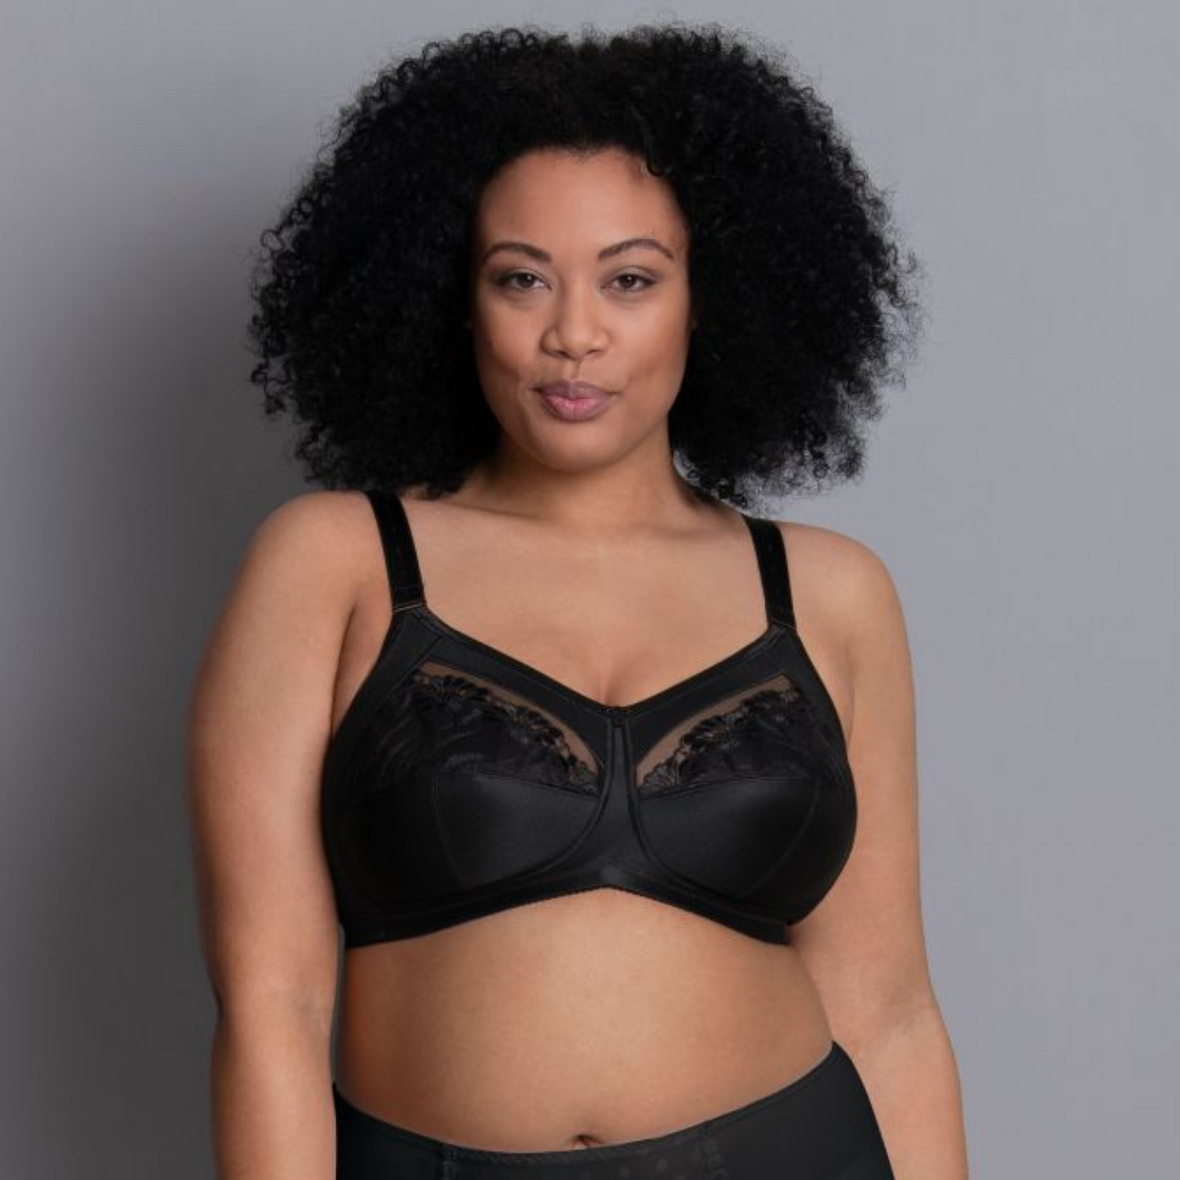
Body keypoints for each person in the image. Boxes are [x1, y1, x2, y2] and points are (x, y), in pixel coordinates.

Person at [186, 21, 968, 1180]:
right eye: (520, 279)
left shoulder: (827, 592)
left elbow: (889, 1008)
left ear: (707, 298)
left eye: (630, 279)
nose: (573, 335)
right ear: (455, 302)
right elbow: (271, 1003)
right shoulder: (334, 565)